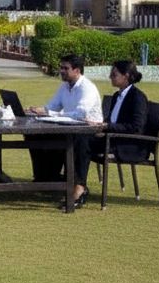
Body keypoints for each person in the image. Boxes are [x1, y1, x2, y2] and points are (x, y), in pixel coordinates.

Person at [64, 59, 149, 210]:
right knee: (74, 138)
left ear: (126, 76)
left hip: (127, 145)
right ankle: (71, 184)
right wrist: (99, 126)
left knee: (83, 142)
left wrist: (107, 127)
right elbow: (112, 121)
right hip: (111, 139)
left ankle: (79, 187)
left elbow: (136, 128)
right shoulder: (117, 96)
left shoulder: (137, 97)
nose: (110, 77)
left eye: (114, 74)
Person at [27, 54, 103, 182]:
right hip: (70, 128)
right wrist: (37, 110)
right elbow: (52, 106)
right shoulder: (64, 86)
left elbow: (80, 114)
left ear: (77, 70)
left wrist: (54, 114)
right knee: (34, 135)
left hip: (88, 131)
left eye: (65, 68)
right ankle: (44, 177)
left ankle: (73, 182)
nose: (61, 71)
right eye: (61, 67)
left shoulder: (87, 88)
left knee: (64, 138)